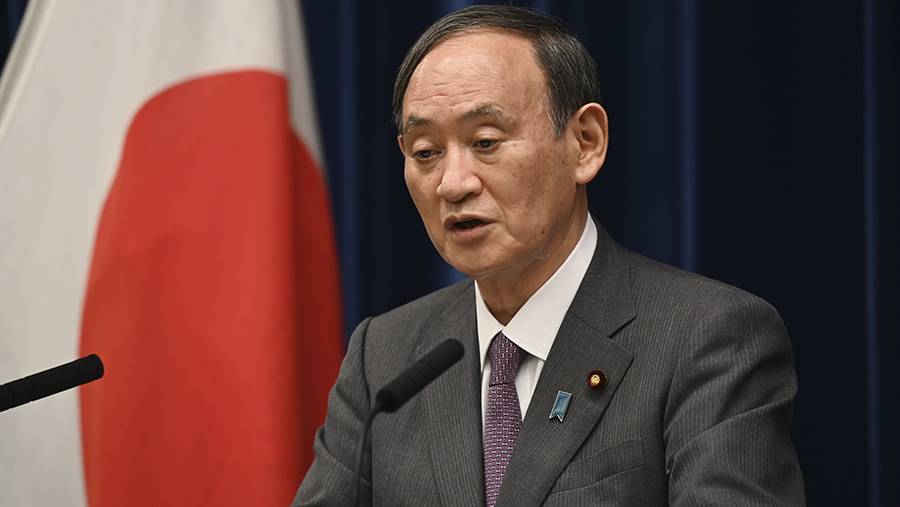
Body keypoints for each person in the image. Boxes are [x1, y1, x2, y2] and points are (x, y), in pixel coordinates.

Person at [294, 5, 805, 506]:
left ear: (585, 142)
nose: (452, 184)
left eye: (485, 142)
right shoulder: (384, 357)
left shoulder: (706, 338)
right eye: (425, 152)